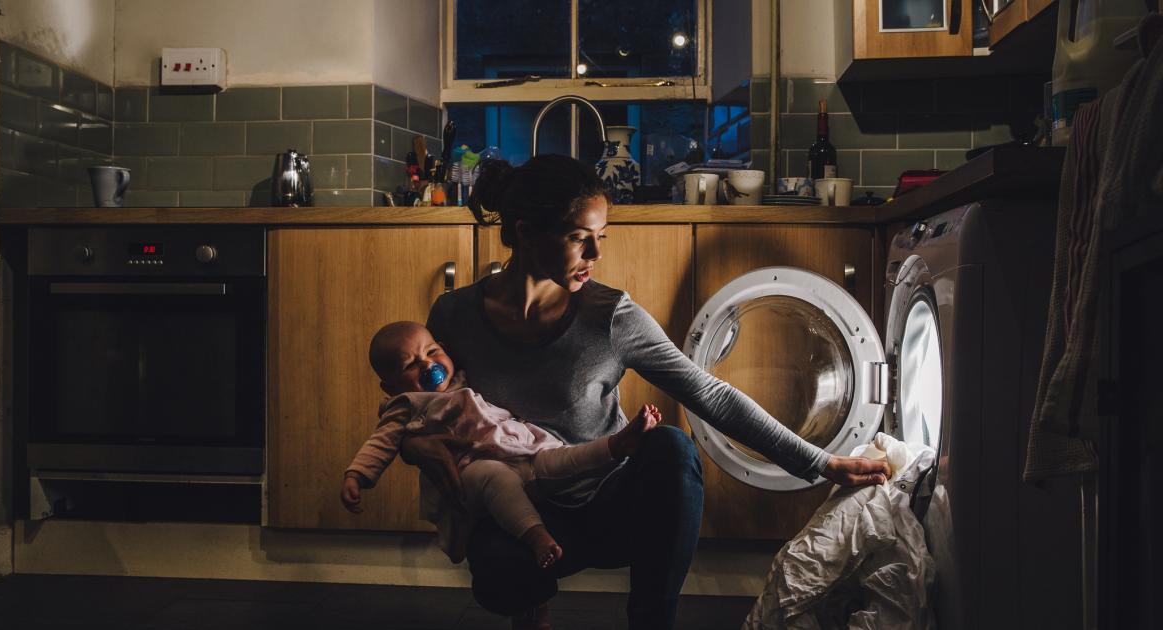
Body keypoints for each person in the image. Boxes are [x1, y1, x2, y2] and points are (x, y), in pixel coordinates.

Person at [400, 154, 891, 630]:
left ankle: (651, 621)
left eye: (600, 237)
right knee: (498, 579)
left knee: (672, 446)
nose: (595, 255)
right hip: (521, 515)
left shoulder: (610, 315)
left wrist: (821, 463)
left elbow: (710, 395)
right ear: (526, 232)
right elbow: (419, 407)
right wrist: (410, 443)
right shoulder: (454, 315)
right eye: (578, 238)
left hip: (612, 504)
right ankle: (531, 607)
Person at [341, 321, 662, 569]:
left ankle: (616, 446)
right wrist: (357, 475)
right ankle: (536, 535)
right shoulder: (405, 404)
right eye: (410, 365)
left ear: (444, 348)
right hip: (471, 466)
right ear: (390, 385)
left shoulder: (462, 379)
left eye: (431, 352)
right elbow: (381, 442)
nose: (427, 366)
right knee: (496, 478)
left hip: (516, 446)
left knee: (559, 457)